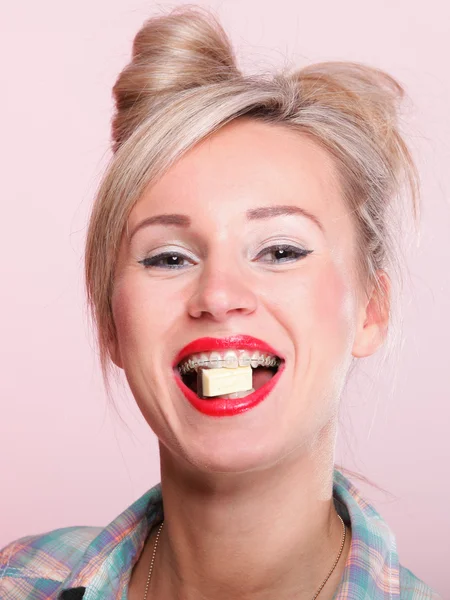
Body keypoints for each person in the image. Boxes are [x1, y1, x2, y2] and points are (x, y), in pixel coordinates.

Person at [0, 6, 442, 600]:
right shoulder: (18, 580)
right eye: (168, 258)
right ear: (110, 321)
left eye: (282, 250)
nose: (218, 296)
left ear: (371, 310)